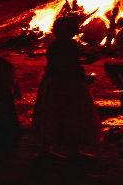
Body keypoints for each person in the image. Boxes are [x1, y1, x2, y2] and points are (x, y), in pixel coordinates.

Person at [31, 17, 102, 160]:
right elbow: (63, 68)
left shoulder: (61, 44)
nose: (77, 30)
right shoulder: (65, 45)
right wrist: (82, 77)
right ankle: (72, 151)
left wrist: (85, 59)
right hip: (65, 85)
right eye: (74, 28)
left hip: (55, 84)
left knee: (53, 116)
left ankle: (46, 150)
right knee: (72, 116)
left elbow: (66, 61)